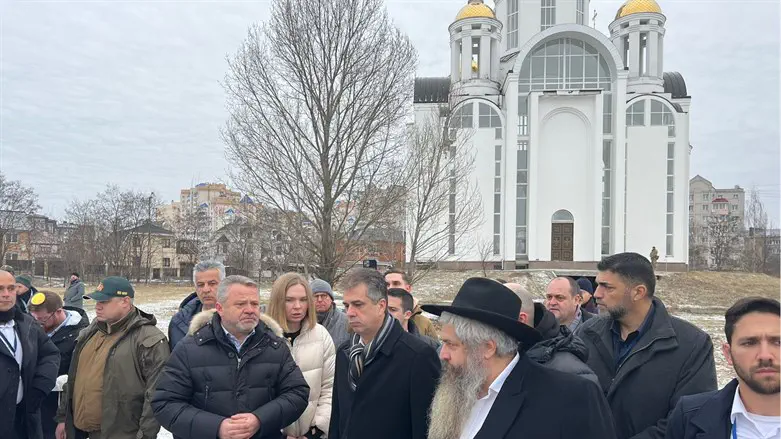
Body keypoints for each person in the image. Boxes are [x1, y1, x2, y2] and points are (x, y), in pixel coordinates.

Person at [422, 278, 616, 439]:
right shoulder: (455, 392)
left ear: (488, 348)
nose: (442, 354)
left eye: (452, 344)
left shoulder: (571, 397)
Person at [576, 252, 717, 439]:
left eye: (606, 287)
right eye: (597, 284)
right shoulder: (588, 332)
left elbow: (690, 417)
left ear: (638, 292)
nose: (596, 294)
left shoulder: (692, 344)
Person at [152, 275, 310, 439]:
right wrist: (216, 428)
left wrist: (260, 420)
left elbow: (297, 393)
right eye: (241, 304)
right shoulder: (189, 349)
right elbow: (165, 404)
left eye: (254, 304)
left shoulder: (275, 346)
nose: (250, 309)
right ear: (220, 308)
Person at [329, 269, 440, 439]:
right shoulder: (345, 352)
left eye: (358, 305)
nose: (349, 312)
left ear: (381, 306)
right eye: (346, 305)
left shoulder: (418, 356)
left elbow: (423, 428)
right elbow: (338, 418)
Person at [55, 276, 170, 439]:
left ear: (125, 301)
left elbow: (156, 394)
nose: (97, 306)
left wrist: (145, 435)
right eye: (96, 301)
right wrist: (64, 419)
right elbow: (74, 379)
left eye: (104, 302)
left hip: (122, 434)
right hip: (81, 431)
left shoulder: (148, 339)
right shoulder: (91, 331)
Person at [665, 297, 780, 439]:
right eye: (749, 343)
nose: (765, 355)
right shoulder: (688, 416)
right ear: (728, 353)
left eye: (778, 342)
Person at [267, 273, 335, 439]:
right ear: (278, 301)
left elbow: (329, 388)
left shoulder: (321, 335)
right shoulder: (262, 337)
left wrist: (316, 431)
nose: (297, 306)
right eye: (289, 300)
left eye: (303, 299)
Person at [0, 270, 61, 439]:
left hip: (23, 420)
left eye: (11, 288)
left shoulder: (26, 323)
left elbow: (50, 354)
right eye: (0, 289)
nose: (6, 295)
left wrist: (40, 388)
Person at [505, 282, 598, 384]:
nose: (552, 302)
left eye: (559, 297)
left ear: (577, 300)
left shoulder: (595, 329)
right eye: (549, 297)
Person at [28, 291, 90, 439]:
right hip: (36, 407)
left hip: (61, 412)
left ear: (59, 312)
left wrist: (65, 420)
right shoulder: (35, 328)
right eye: (34, 319)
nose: (38, 324)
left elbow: (80, 383)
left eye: (42, 320)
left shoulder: (80, 335)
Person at [168, 260, 225, 349]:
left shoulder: (239, 319)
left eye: (212, 284)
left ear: (224, 284)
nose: (206, 290)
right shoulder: (178, 322)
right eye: (200, 285)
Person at [384, 269, 438, 340]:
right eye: (387, 285)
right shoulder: (372, 318)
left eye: (396, 283)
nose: (390, 287)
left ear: (408, 288)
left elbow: (435, 349)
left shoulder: (424, 323)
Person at [311, 279, 349, 349]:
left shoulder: (346, 322)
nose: (319, 300)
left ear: (331, 299)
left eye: (324, 296)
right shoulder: (303, 322)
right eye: (315, 296)